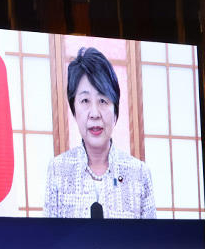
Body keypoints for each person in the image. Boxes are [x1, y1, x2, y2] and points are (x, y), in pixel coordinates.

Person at [42, 46, 155, 218]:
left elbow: (151, 236)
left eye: (103, 100)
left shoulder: (139, 173)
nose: (94, 113)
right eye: (85, 100)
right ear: (74, 108)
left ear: (115, 109)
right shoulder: (58, 170)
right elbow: (49, 234)